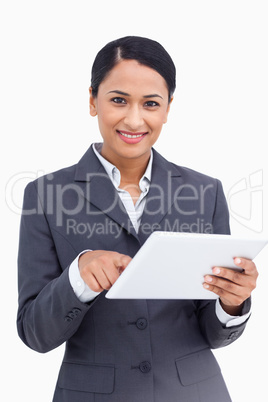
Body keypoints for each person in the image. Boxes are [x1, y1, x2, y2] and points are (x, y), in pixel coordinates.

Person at [17, 36, 258, 402]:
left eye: (150, 104)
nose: (134, 119)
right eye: (118, 100)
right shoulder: (44, 195)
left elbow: (213, 331)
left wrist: (231, 304)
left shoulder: (206, 192)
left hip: (195, 393)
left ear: (168, 108)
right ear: (92, 100)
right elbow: (35, 334)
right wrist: (77, 280)